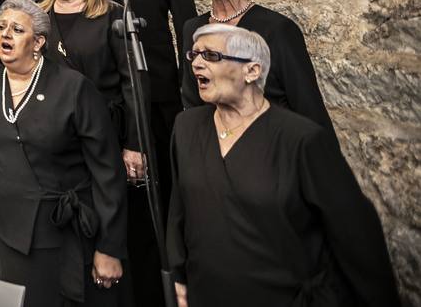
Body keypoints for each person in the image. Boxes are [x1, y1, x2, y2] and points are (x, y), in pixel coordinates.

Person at [169, 25, 399, 307]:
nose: (196, 63)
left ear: (252, 71)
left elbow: (355, 238)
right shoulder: (186, 127)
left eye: (211, 56)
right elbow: (180, 207)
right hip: (207, 295)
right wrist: (178, 275)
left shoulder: (302, 140)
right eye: (194, 54)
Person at [0, 0, 126, 307]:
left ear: (38, 41)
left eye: (16, 29)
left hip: (60, 232)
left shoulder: (74, 87)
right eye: (1, 27)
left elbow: (107, 171)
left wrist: (110, 246)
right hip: (6, 231)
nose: (5, 35)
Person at [82, 0, 195, 304]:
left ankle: (169, 277)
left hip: (159, 93)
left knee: (160, 188)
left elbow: (185, 23)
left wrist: (189, 88)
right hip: (106, 96)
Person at [179, 0, 336, 140]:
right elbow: (192, 102)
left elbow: (306, 101)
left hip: (272, 145)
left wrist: (325, 161)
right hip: (217, 147)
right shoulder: (194, 28)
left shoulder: (277, 28)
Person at [39, 0, 143, 181]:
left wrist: (135, 143)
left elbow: (133, 82)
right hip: (53, 132)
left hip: (104, 129)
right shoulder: (39, 17)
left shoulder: (112, 14)